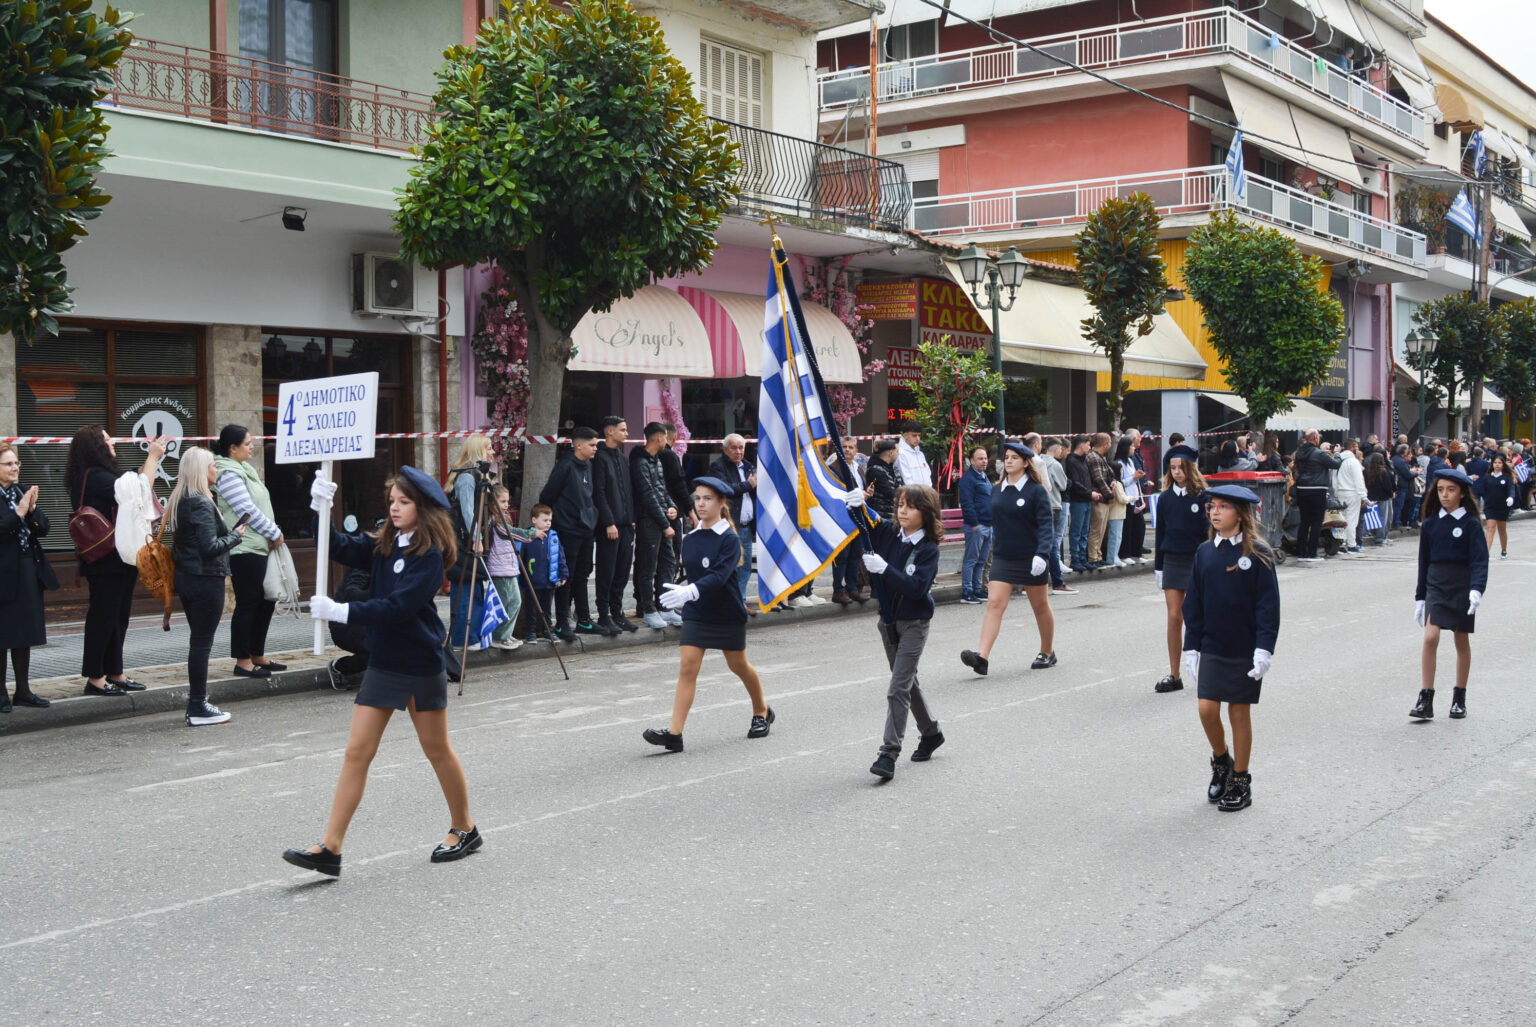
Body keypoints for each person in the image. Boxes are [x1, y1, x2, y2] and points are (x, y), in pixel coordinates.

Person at [287, 465, 481, 877]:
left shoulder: (430, 557)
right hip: (385, 663)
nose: (394, 508)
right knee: (357, 752)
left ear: (423, 509)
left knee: (437, 749)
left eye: (404, 502)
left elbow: (398, 608)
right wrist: (320, 508)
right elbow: (337, 546)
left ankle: (465, 827)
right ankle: (331, 848)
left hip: (419, 663)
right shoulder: (384, 545)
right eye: (392, 501)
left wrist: (342, 611)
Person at [642, 476, 772, 752]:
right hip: (698, 611)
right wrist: (681, 590)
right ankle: (675, 734)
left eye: (708, 499)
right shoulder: (690, 538)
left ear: (722, 502)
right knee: (687, 667)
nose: (701, 504)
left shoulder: (729, 539)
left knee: (738, 666)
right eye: (698, 498)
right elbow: (694, 573)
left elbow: (719, 576)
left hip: (726, 612)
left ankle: (761, 710)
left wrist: (689, 591)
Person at [1182, 483, 1280, 813]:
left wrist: (1264, 649)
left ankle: (1240, 780)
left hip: (1244, 647)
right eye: (1212, 506)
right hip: (1213, 643)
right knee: (1206, 709)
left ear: (1240, 514)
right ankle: (1222, 760)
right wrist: (1191, 646)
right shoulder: (1205, 552)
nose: (1215, 511)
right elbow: (1194, 602)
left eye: (1223, 507)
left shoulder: (1258, 553)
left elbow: (1268, 606)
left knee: (1238, 712)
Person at [847, 483, 944, 781]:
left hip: (914, 622)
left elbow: (916, 588)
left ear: (926, 513)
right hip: (887, 620)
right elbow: (863, 521)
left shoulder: (927, 550)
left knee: (897, 687)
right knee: (907, 683)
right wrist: (855, 504)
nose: (903, 511)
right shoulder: (889, 534)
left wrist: (884, 569)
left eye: (910, 507)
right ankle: (931, 733)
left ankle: (888, 752)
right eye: (900, 505)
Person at [65, 424, 166, 697]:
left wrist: (152, 459)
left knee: (118, 616)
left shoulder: (101, 475)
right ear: (95, 447)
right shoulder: (93, 477)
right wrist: (152, 457)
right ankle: (95, 678)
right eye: (107, 440)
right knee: (103, 617)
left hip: (117, 556)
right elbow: (140, 491)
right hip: (105, 559)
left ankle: (115, 672)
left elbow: (137, 485)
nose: (113, 444)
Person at [960, 442, 1056, 676]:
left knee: (1040, 606)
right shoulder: (997, 490)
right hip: (1004, 557)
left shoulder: (1036, 491)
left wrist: (1042, 554)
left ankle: (1047, 651)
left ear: (1025, 463)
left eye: (1014, 457)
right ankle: (982, 657)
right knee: (994, 604)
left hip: (1031, 557)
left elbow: (1046, 525)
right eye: (1006, 457)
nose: (1009, 461)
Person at [168, 447, 244, 726]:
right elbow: (209, 547)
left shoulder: (183, 499)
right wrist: (235, 536)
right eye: (212, 465)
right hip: (204, 578)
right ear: (201, 470)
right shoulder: (200, 502)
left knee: (199, 641)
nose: (217, 469)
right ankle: (198, 705)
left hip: (190, 577)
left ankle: (198, 703)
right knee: (201, 643)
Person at [1410, 468, 1489, 722]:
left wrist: (1476, 589)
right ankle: (1426, 697)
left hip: (1461, 584)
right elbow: (1423, 562)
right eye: (1441, 490)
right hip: (1436, 583)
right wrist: (1420, 597)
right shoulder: (1431, 524)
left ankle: (1459, 697)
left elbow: (1480, 560)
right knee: (1430, 637)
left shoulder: (1471, 524)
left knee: (1460, 640)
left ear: (1462, 494)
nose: (1445, 495)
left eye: (1451, 490)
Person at [211, 424, 287, 679]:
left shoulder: (244, 469)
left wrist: (271, 533)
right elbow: (247, 510)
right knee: (248, 602)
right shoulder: (228, 473)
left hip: (258, 544)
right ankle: (242, 660)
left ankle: (257, 654)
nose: (252, 446)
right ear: (233, 448)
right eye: (247, 443)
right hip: (244, 548)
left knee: (265, 601)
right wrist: (274, 532)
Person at [0, 442, 59, 713]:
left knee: (24, 633)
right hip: (4, 571)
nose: (15, 468)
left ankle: (23, 690)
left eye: (16, 463)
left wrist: (32, 509)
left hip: (27, 568)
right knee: (3, 634)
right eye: (8, 464)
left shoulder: (21, 491)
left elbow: (44, 528)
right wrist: (20, 512)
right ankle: (1, 693)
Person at [1152, 445, 1206, 694]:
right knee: (1175, 617)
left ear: (1190, 469)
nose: (1176, 472)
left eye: (1181, 468)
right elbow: (1160, 533)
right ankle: (1175, 675)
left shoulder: (1203, 497)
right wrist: (1158, 567)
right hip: (1173, 561)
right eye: (1172, 468)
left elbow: (1210, 533)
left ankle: (1206, 670)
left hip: (1198, 561)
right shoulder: (1164, 498)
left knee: (1198, 617)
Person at [538, 426, 599, 641]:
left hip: (586, 528)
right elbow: (547, 495)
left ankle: (584, 619)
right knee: (566, 576)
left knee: (583, 574)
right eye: (592, 445)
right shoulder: (565, 466)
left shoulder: (589, 465)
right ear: (578, 445)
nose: (595, 448)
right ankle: (562, 622)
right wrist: (562, 518)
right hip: (568, 529)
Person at [629, 423, 680, 629]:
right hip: (649, 522)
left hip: (661, 519)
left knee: (668, 562)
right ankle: (649, 610)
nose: (667, 441)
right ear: (659, 437)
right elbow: (647, 495)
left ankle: (665, 607)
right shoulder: (640, 462)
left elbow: (662, 489)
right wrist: (665, 524)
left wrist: (672, 506)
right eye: (666, 437)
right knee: (647, 567)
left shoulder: (656, 460)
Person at [446, 434, 494, 651]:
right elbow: (468, 512)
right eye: (488, 448)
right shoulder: (466, 477)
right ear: (477, 452)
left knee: (474, 587)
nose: (492, 452)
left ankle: (473, 635)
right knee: (465, 588)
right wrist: (477, 539)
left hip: (469, 540)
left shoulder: (478, 476)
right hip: (463, 543)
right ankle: (463, 639)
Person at [591, 415, 637, 635]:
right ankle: (604, 615)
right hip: (609, 526)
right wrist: (609, 521)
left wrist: (632, 519)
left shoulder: (621, 457)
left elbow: (627, 491)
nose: (627, 433)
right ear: (610, 431)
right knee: (606, 572)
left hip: (627, 524)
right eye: (623, 429)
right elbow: (599, 492)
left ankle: (618, 613)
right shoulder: (599, 457)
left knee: (622, 571)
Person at [486, 485, 542, 650]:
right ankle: (499, 636)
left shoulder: (502, 517)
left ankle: (505, 633)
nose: (506, 505)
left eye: (507, 501)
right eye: (502, 501)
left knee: (515, 601)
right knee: (507, 603)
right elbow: (510, 533)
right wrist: (532, 533)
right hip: (500, 568)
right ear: (493, 502)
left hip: (507, 566)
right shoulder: (496, 520)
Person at [708, 434, 758, 610]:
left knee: (745, 567)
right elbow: (724, 489)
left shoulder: (749, 467)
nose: (738, 451)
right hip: (729, 526)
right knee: (729, 567)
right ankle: (728, 603)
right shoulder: (718, 467)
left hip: (746, 527)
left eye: (741, 448)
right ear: (725, 449)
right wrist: (748, 485)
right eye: (734, 448)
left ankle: (740, 601)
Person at [1290, 429, 1341, 562]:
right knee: (1317, 521)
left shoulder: (1300, 452)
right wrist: (1336, 454)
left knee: (1304, 522)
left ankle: (1301, 553)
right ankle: (1312, 553)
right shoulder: (1319, 453)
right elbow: (1336, 464)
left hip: (1302, 489)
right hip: (1317, 489)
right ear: (1315, 438)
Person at [520, 504, 567, 644]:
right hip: (532, 581)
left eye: (550, 520)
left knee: (547, 609)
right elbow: (521, 559)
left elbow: (560, 556)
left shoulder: (553, 537)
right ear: (534, 520)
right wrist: (521, 578)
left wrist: (563, 574)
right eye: (545, 520)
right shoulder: (527, 538)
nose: (548, 523)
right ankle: (531, 632)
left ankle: (548, 630)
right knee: (531, 608)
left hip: (549, 580)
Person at [828, 438, 868, 605]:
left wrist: (867, 493)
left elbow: (860, 490)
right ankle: (838, 590)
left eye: (851, 447)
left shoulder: (858, 468)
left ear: (856, 450)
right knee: (842, 555)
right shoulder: (834, 468)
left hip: (859, 515)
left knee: (855, 554)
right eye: (844, 447)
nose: (847, 450)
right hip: (842, 516)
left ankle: (852, 588)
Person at [659, 423, 695, 589]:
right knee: (670, 558)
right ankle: (666, 594)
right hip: (672, 512)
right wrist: (690, 511)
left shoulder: (648, 456)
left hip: (657, 511)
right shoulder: (670, 456)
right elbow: (680, 485)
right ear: (674, 439)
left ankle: (656, 596)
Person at [956, 444, 993, 604]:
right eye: (980, 459)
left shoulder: (984, 477)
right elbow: (967, 504)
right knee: (971, 560)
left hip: (988, 525)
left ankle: (977, 590)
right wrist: (974, 524)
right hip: (976, 526)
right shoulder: (968, 480)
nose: (984, 461)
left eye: (985, 458)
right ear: (972, 461)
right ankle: (967, 592)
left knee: (981, 561)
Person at [1117, 429, 1149, 565]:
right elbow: (1120, 482)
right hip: (1126, 499)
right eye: (1131, 447)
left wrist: (1138, 476)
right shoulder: (1119, 463)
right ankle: (1125, 554)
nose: (1133, 448)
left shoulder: (1130, 461)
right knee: (1127, 529)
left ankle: (1137, 553)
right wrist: (1133, 477)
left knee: (1139, 527)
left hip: (1135, 499)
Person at [1064, 435, 1095, 571]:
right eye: (1088, 444)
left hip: (1086, 500)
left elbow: (1088, 479)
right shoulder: (1072, 461)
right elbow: (1076, 483)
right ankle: (1075, 559)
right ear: (1081, 445)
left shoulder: (1084, 460)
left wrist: (1091, 492)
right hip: (1078, 500)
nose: (1089, 447)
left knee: (1084, 531)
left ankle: (1082, 558)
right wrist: (1090, 493)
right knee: (1076, 530)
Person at [1085, 433, 1116, 568]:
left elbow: (1109, 474)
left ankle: (1098, 555)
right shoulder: (1093, 457)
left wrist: (1113, 481)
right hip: (1099, 499)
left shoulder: (1100, 456)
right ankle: (1093, 557)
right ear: (1105, 443)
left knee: (1101, 529)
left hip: (1102, 498)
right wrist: (1110, 495)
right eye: (1110, 442)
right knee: (1096, 530)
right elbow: (1099, 479)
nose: (1110, 445)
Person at [1479, 452, 1515, 559]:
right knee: (1490, 528)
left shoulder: (1507, 477)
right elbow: (1484, 491)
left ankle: (1504, 550)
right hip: (1490, 507)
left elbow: (1511, 489)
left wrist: (1511, 497)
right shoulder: (1487, 477)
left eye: (1499, 463)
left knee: (1502, 530)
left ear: (1503, 464)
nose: (1497, 465)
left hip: (1502, 507)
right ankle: (1486, 553)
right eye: (1495, 463)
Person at [1334, 439, 1367, 554]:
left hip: (1340, 492)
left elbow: (1334, 478)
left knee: (1341, 519)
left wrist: (1336, 491)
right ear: (1352, 447)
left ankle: (1341, 544)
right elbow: (1359, 480)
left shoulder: (1338, 460)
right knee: (1351, 520)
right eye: (1356, 446)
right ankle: (1351, 545)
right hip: (1352, 493)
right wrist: (1364, 496)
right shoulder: (1353, 462)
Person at [864, 439, 902, 520]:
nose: (899, 454)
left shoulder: (893, 468)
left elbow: (902, 487)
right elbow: (890, 494)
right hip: (881, 518)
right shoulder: (875, 470)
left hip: (894, 515)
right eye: (897, 451)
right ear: (891, 453)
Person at [1363, 452, 1395, 546]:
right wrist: (1391, 494)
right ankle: (1380, 538)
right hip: (1383, 497)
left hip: (1372, 497)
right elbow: (1387, 486)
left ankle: (1371, 533)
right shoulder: (1384, 472)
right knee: (1383, 518)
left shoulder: (1367, 472)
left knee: (1372, 517)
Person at [1391, 444, 1420, 529]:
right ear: (1404, 451)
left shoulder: (1394, 459)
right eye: (1407, 451)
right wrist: (1416, 473)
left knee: (1396, 505)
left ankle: (1396, 522)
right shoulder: (1401, 461)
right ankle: (1396, 522)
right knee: (1398, 506)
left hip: (1397, 485)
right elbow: (1408, 475)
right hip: (1401, 486)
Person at [895, 421, 932, 487]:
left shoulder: (920, 454)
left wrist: (929, 490)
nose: (917, 438)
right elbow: (906, 478)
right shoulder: (900, 453)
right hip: (911, 492)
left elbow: (927, 475)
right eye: (914, 435)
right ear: (905, 435)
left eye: (919, 435)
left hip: (926, 491)